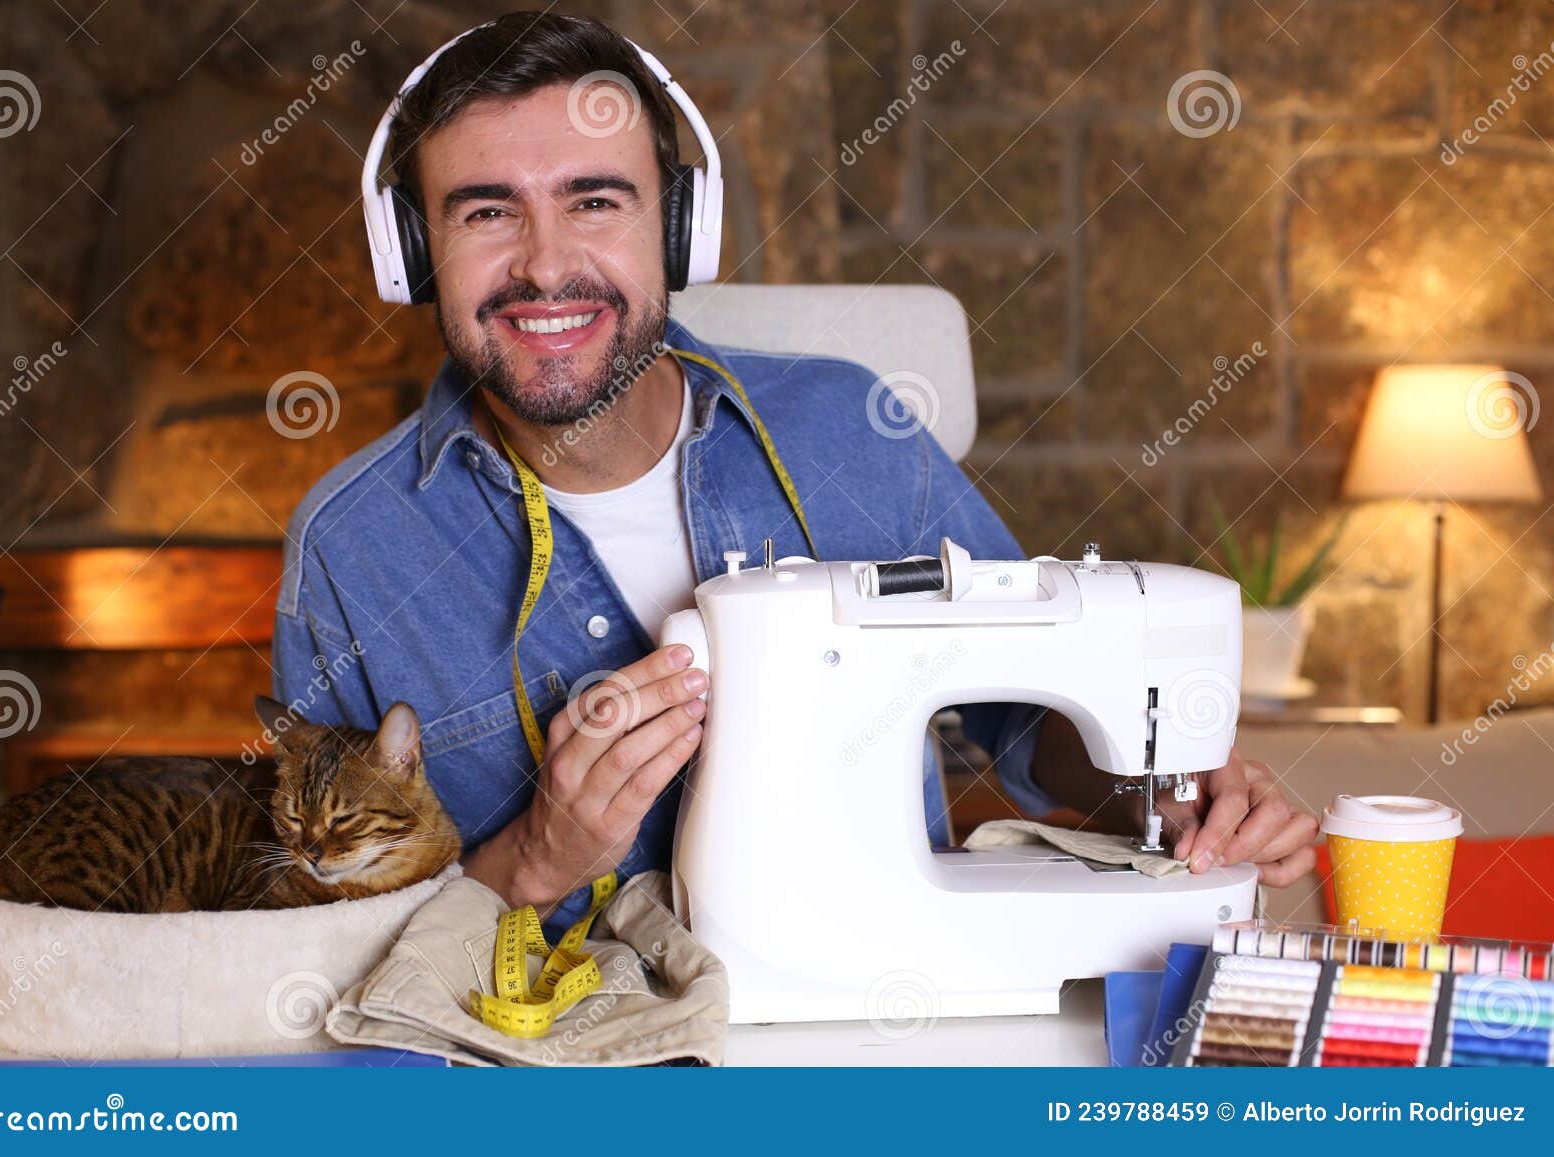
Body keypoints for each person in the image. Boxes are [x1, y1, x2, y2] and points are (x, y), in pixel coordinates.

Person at [273, 11, 1318, 937]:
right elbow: (311, 945)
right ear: (413, 250)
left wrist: (1170, 792)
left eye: (595, 202)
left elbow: (1033, 729)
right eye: (485, 211)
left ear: (679, 227)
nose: (546, 264)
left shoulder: (852, 431)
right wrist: (533, 860)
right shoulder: (352, 551)